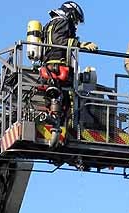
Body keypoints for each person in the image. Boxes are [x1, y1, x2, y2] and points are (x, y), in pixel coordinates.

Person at [38, 2, 97, 144]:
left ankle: (56, 125)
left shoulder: (50, 24)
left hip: (49, 66)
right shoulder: (63, 22)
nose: (75, 23)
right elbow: (59, 41)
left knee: (57, 98)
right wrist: (80, 44)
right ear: (71, 13)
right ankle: (61, 126)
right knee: (67, 100)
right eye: (75, 19)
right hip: (58, 65)